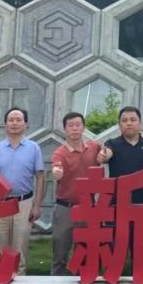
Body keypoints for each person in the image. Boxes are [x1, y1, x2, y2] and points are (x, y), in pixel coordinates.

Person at [0, 106, 45, 276]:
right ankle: (0, 278)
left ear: (26, 124)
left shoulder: (34, 148)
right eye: (11, 120)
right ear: (5, 124)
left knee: (20, 247)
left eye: (18, 120)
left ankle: (20, 281)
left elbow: (40, 177)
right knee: (0, 245)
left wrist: (36, 206)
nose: (14, 123)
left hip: (23, 203)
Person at [100, 105, 143, 269]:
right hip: (118, 206)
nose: (129, 123)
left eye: (132, 120)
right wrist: (104, 155)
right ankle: (113, 280)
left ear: (140, 123)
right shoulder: (112, 144)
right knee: (116, 249)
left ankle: (139, 280)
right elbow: (106, 154)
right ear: (119, 125)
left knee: (139, 250)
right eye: (124, 120)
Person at [50, 111, 102, 275]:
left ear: (83, 127)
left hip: (88, 208)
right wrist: (56, 173)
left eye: (78, 125)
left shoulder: (94, 148)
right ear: (65, 129)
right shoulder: (59, 153)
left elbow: (106, 152)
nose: (74, 128)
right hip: (65, 208)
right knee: (60, 252)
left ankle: (83, 283)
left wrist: (105, 155)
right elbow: (56, 168)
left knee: (85, 251)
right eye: (70, 125)